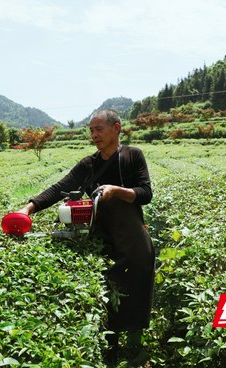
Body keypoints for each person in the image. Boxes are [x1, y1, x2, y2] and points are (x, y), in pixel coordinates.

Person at [18, 109, 155, 365]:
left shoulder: (132, 155)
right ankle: (111, 349)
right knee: (109, 295)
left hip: (133, 238)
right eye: (91, 130)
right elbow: (60, 187)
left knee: (136, 292)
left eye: (98, 129)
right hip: (102, 238)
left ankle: (136, 347)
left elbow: (145, 192)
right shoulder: (88, 164)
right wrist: (30, 207)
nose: (94, 135)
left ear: (116, 128)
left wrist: (117, 191)